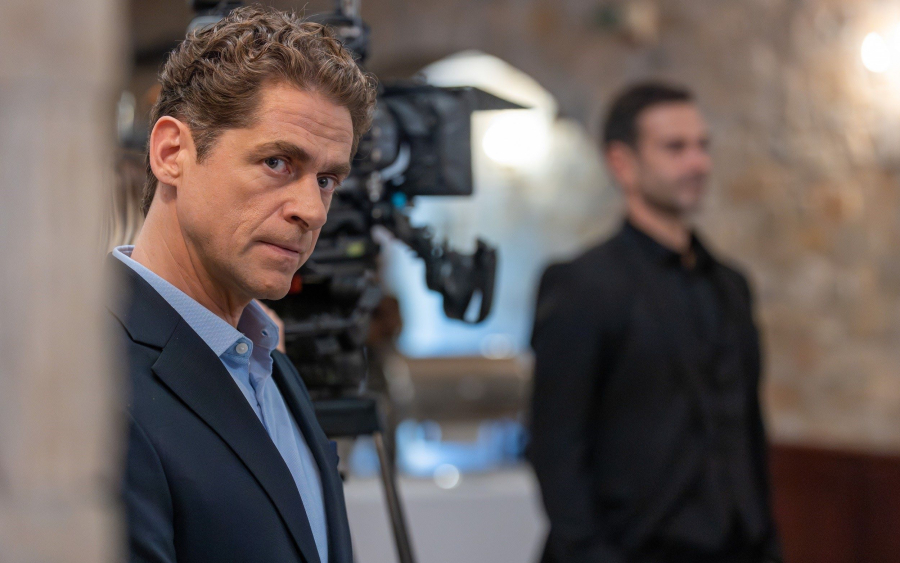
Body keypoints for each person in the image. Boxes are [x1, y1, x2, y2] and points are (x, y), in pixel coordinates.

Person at [109, 6, 376, 563]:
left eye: (327, 179)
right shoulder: (89, 377)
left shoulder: (269, 364)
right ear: (171, 153)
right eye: (277, 162)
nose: (312, 210)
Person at [528, 83, 781, 563]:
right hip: (633, 550)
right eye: (675, 147)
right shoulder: (582, 285)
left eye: (702, 145)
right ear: (622, 163)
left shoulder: (730, 285)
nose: (698, 162)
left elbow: (747, 428)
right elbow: (556, 447)